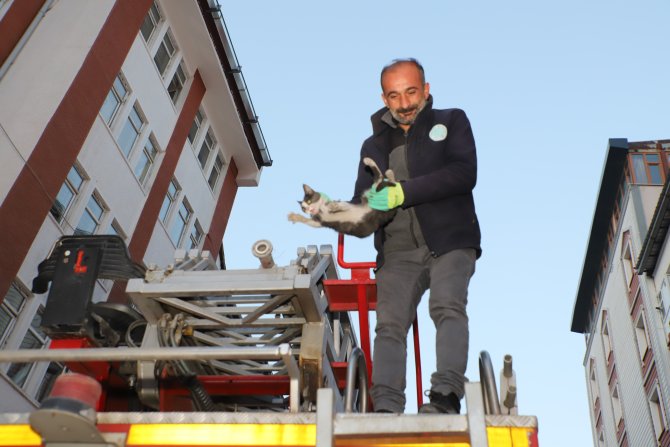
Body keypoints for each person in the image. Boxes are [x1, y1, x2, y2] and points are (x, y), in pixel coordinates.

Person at [351, 58, 481, 414]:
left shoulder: (451, 121)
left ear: (425, 89)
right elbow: (364, 202)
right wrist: (344, 212)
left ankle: (445, 397)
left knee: (446, 305)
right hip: (398, 252)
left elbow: (463, 173)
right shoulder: (373, 145)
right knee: (389, 326)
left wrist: (402, 192)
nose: (404, 104)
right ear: (384, 98)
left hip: (449, 240)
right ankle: (386, 408)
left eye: (411, 92)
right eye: (394, 96)